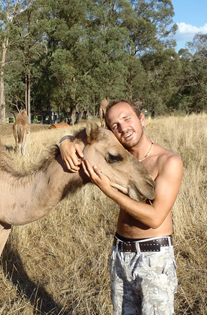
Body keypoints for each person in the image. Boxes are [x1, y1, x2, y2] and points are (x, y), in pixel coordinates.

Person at [58, 100, 183, 315]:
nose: (123, 128)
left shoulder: (168, 161)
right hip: (120, 254)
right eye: (115, 125)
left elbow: (155, 218)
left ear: (142, 119)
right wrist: (64, 141)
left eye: (127, 119)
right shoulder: (119, 155)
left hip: (153, 256)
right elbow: (86, 140)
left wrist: (108, 190)